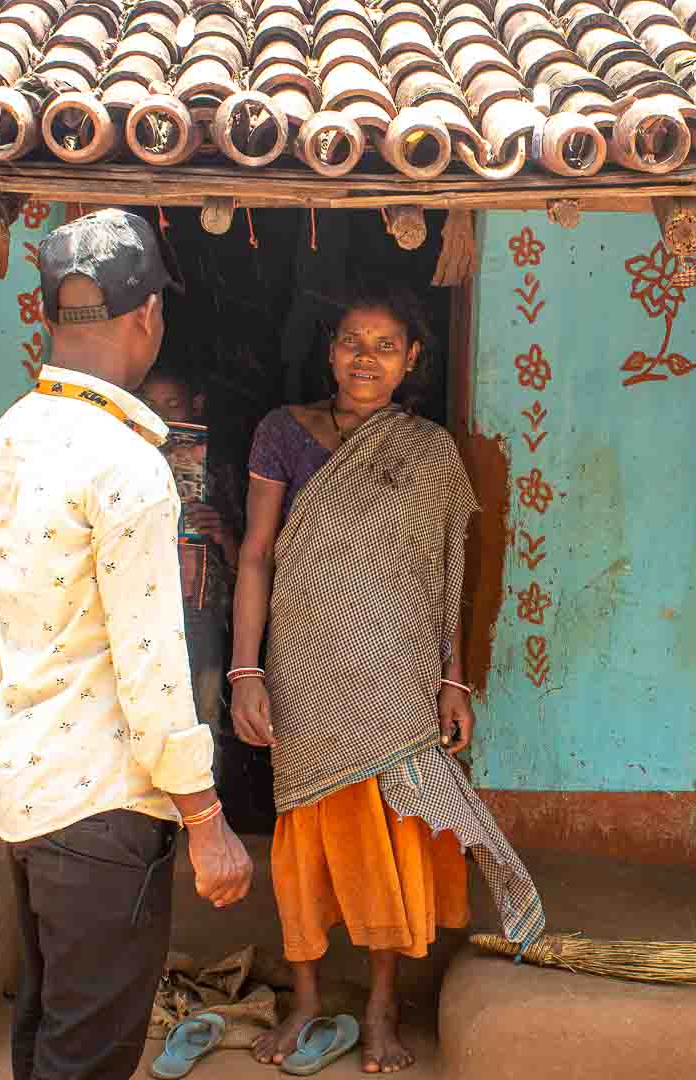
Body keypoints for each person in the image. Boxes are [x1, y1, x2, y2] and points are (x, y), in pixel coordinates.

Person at [0, 208, 253, 1080]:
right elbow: (151, 665)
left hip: (22, 788)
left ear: (50, 313)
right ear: (149, 314)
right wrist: (205, 821)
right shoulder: (126, 466)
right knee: (86, 1057)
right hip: (105, 807)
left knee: (48, 1038)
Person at [230, 284, 545, 1074]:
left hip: (395, 675)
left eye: (385, 346)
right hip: (303, 668)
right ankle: (305, 1002)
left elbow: (447, 575)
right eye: (350, 340)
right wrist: (245, 670)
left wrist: (454, 681)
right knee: (303, 840)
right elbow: (257, 554)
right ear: (328, 347)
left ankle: (379, 1010)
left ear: (412, 361)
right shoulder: (281, 432)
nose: (364, 359)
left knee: (390, 842)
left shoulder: (429, 450)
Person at [139, 365, 241, 790]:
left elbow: (250, 555)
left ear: (195, 405)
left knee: (202, 710)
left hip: (201, 606)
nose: (161, 414)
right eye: (150, 404)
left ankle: (203, 811)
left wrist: (220, 532)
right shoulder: (126, 458)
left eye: (172, 404)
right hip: (142, 608)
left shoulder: (220, 470)